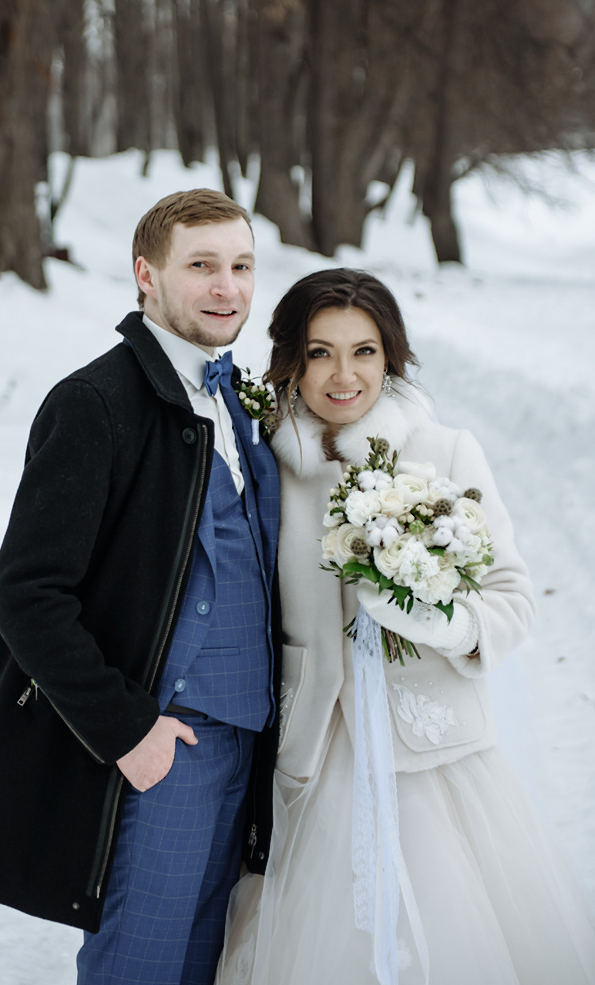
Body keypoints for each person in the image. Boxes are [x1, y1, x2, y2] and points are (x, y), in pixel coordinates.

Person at [0, 188, 281, 985]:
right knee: (139, 966)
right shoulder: (94, 403)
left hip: (246, 742)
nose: (227, 287)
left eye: (241, 266)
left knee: (203, 967)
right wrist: (128, 732)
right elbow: (26, 593)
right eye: (202, 265)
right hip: (163, 746)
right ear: (146, 275)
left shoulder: (237, 400)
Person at [216, 269, 595, 985]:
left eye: (364, 351)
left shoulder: (444, 451)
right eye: (320, 352)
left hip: (431, 751)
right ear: (291, 359)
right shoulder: (265, 464)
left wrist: (441, 621)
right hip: (311, 745)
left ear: (390, 355)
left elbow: (512, 596)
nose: (343, 375)